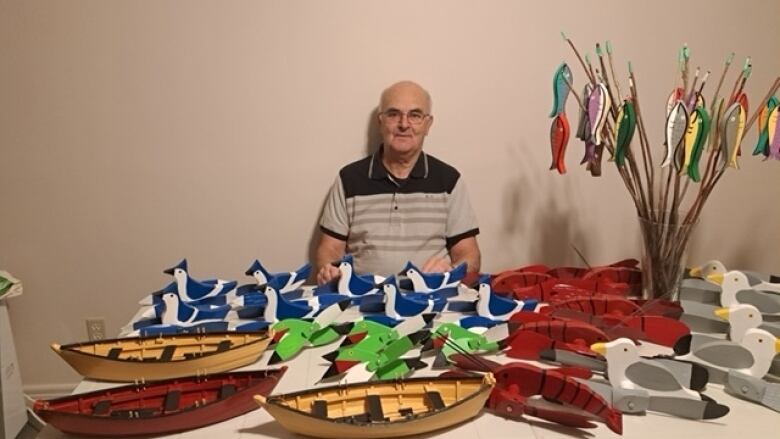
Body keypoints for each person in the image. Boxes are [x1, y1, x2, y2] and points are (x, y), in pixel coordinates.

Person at [315, 81, 481, 285]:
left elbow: (470, 257)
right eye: (393, 114)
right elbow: (329, 249)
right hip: (363, 304)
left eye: (415, 115)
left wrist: (452, 271)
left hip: (431, 303)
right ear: (381, 122)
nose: (404, 124)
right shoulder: (349, 179)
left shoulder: (448, 180)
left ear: (428, 124)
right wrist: (330, 272)